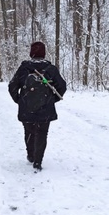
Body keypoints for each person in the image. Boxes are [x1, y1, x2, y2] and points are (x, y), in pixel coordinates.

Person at [8, 41, 66, 171]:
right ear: (44, 54)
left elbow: (12, 86)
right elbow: (62, 86)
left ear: (31, 53)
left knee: (29, 131)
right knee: (42, 134)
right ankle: (38, 161)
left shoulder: (23, 68)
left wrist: (20, 100)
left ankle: (31, 155)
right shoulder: (51, 69)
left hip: (26, 109)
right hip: (45, 109)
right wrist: (52, 100)